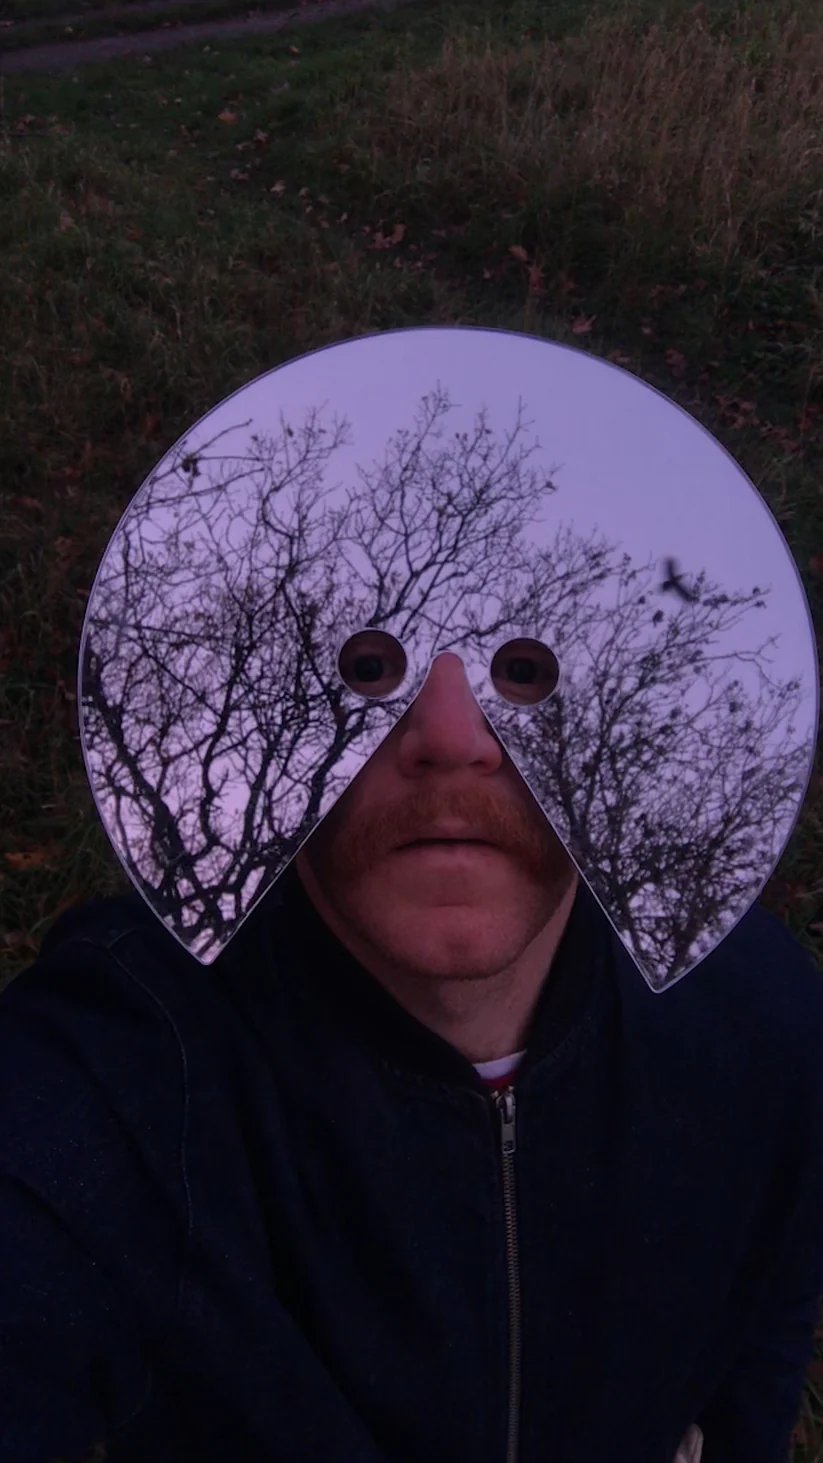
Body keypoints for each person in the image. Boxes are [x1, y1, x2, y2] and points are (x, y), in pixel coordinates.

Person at [1, 647, 823, 1463]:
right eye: (370, 666)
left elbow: (762, 1322)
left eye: (522, 669)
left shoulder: (762, 1020)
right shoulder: (117, 1076)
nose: (452, 737)